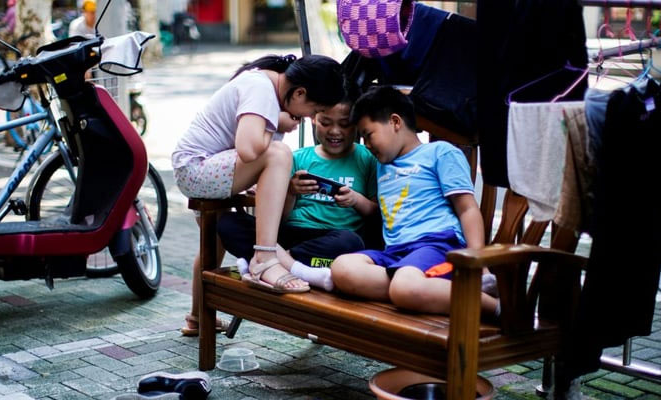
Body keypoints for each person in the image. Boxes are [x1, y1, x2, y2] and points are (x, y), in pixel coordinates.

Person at [172, 54, 344, 336]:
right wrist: (277, 122)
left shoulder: (267, 86)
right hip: (197, 168)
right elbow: (250, 149)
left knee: (212, 241)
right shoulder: (261, 88)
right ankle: (264, 259)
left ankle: (198, 318)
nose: (310, 117)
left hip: (201, 166)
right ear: (299, 92)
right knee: (279, 152)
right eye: (314, 108)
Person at [331, 86, 499, 316]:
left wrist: (479, 262)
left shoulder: (440, 153)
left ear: (395, 122)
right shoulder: (382, 164)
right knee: (343, 268)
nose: (367, 145)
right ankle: (418, 291)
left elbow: (467, 209)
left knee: (405, 285)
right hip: (396, 253)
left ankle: (497, 308)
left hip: (438, 246)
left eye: (369, 135)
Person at [215, 90, 379, 292]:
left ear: (355, 124)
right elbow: (277, 219)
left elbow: (375, 213)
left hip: (331, 240)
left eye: (344, 124)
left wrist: (355, 200)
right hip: (289, 234)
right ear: (313, 119)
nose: (335, 131)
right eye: (326, 123)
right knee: (228, 223)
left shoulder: (366, 159)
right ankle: (293, 267)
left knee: (351, 243)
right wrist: (291, 192)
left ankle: (269, 263)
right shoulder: (297, 158)